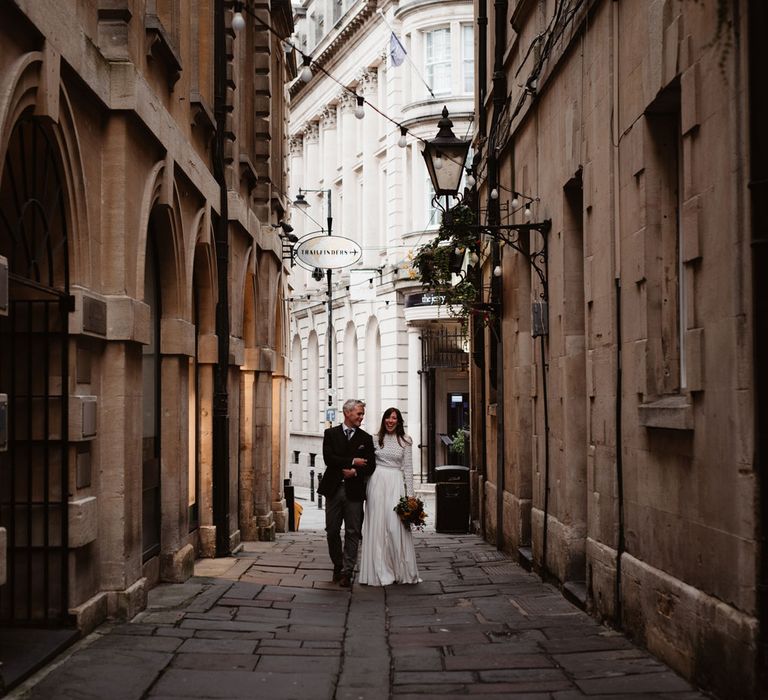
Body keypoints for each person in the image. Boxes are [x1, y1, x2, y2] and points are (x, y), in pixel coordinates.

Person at [359, 407, 420, 586]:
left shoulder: (405, 441)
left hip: (395, 484)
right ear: (384, 420)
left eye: (394, 418)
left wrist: (411, 496)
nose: (390, 421)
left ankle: (399, 570)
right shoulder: (374, 439)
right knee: (377, 526)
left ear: (399, 421)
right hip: (377, 483)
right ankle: (378, 570)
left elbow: (408, 468)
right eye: (388, 417)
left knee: (395, 527)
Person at [319, 398, 376, 587]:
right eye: (359, 413)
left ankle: (347, 570)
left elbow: (370, 465)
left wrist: (356, 471)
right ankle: (337, 564)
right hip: (334, 489)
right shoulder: (331, 434)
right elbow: (329, 459)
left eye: (362, 414)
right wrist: (353, 462)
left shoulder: (366, 438)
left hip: (355, 492)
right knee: (332, 531)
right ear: (347, 413)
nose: (361, 417)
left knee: (353, 531)